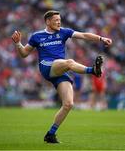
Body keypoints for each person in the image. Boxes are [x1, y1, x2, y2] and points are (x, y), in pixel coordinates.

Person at [11, 10, 112, 143]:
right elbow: (24, 54)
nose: (59, 22)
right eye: (56, 20)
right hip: (47, 67)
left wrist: (101, 38)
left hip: (59, 70)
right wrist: (18, 43)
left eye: (60, 20)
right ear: (47, 21)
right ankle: (92, 70)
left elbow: (83, 35)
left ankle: (50, 134)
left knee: (68, 104)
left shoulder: (64, 32)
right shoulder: (37, 36)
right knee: (70, 63)